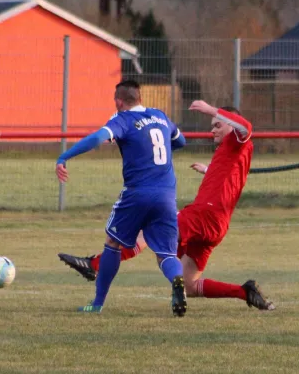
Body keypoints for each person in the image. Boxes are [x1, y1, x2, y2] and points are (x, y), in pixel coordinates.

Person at [58, 101, 275, 311]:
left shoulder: (239, 140)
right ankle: (245, 292)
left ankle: (94, 266)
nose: (213, 130)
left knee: (147, 232)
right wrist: (208, 170)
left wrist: (210, 109)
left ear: (231, 123)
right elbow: (229, 179)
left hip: (204, 215)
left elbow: (246, 126)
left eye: (218, 125)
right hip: (217, 226)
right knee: (190, 286)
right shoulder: (232, 151)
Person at [55, 80, 188, 316]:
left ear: (118, 101)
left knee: (113, 243)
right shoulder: (160, 116)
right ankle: (177, 280)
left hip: (137, 193)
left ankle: (97, 303)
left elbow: (97, 138)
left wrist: (65, 156)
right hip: (167, 195)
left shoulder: (123, 120)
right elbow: (181, 141)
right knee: (166, 253)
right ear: (139, 97)